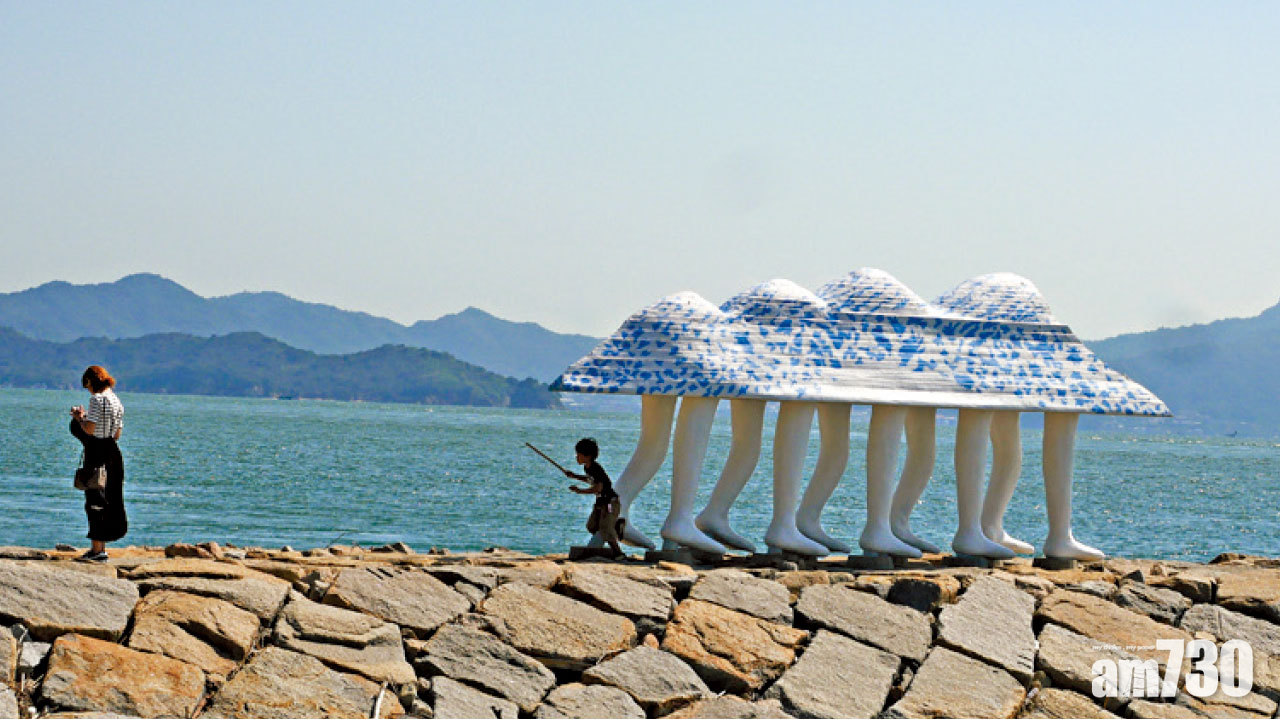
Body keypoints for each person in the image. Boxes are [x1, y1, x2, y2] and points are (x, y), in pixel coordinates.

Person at [69, 365, 127, 561]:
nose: (88, 390)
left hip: (97, 453)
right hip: (113, 453)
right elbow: (117, 434)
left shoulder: (97, 399)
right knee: (108, 500)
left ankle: (97, 550)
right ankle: (100, 547)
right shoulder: (117, 401)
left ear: (90, 382)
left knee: (94, 501)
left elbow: (90, 429)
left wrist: (79, 418)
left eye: (87, 386)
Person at [564, 437, 624, 558]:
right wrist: (574, 476)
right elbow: (590, 479)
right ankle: (615, 528)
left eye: (579, 455)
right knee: (591, 526)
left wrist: (580, 491)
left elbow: (598, 488)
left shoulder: (596, 468)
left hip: (609, 503)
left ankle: (619, 553)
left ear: (588, 456)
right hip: (601, 502)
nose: (576, 457)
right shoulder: (588, 467)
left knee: (606, 528)